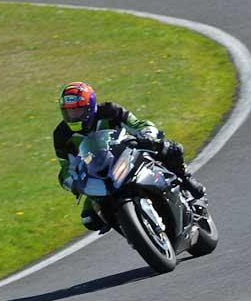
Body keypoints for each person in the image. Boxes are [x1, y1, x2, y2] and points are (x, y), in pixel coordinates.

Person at [53, 81, 206, 232]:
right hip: (99, 175)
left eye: (77, 111)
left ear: (89, 106)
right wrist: (73, 183)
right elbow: (66, 168)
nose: (72, 116)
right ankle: (131, 230)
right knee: (90, 219)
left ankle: (185, 179)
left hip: (128, 156)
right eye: (68, 112)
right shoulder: (61, 135)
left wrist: (147, 135)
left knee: (171, 149)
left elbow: (138, 124)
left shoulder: (110, 111)